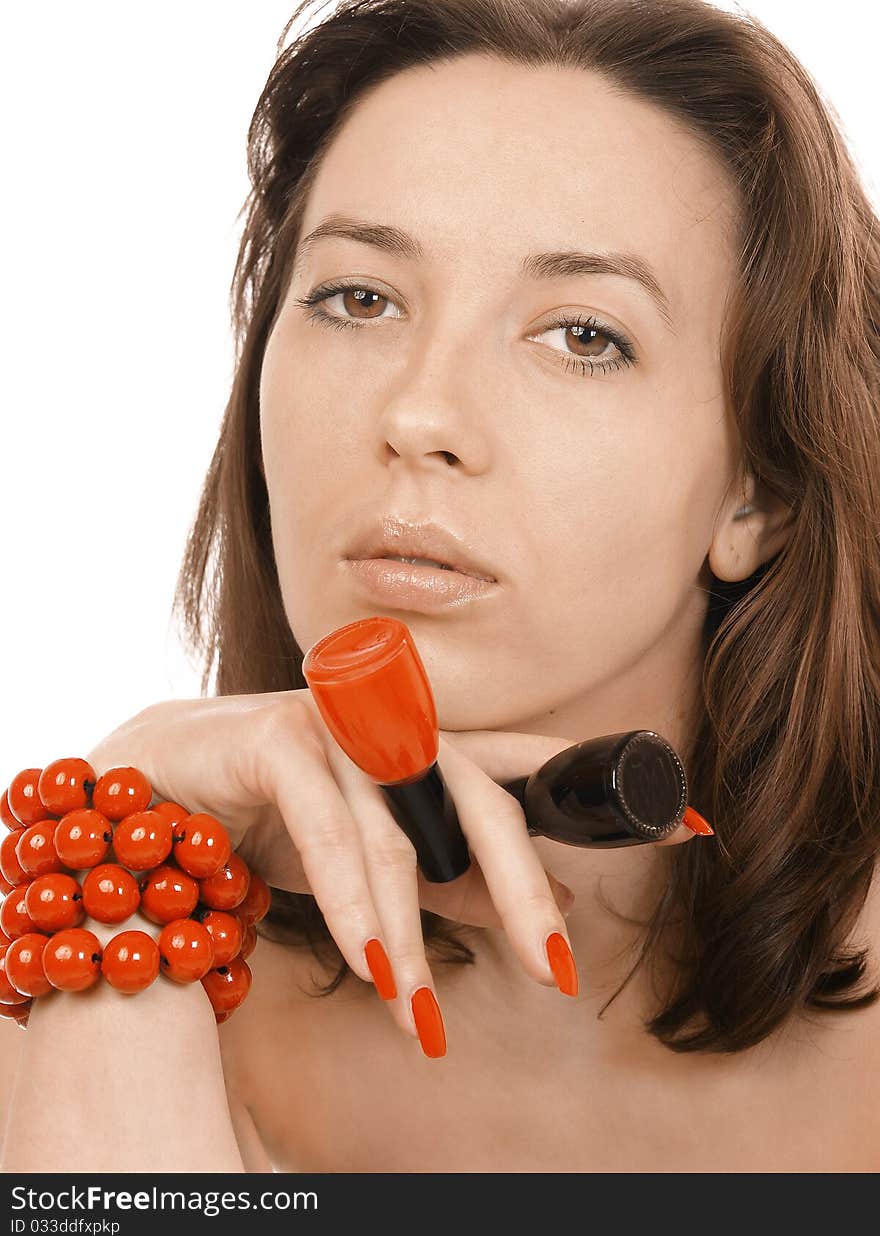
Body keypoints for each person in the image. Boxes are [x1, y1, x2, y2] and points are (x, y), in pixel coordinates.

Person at [2, 0, 879, 1174]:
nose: (418, 416)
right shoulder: (80, 989)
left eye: (580, 334)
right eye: (358, 299)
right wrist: (112, 879)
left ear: (755, 493)